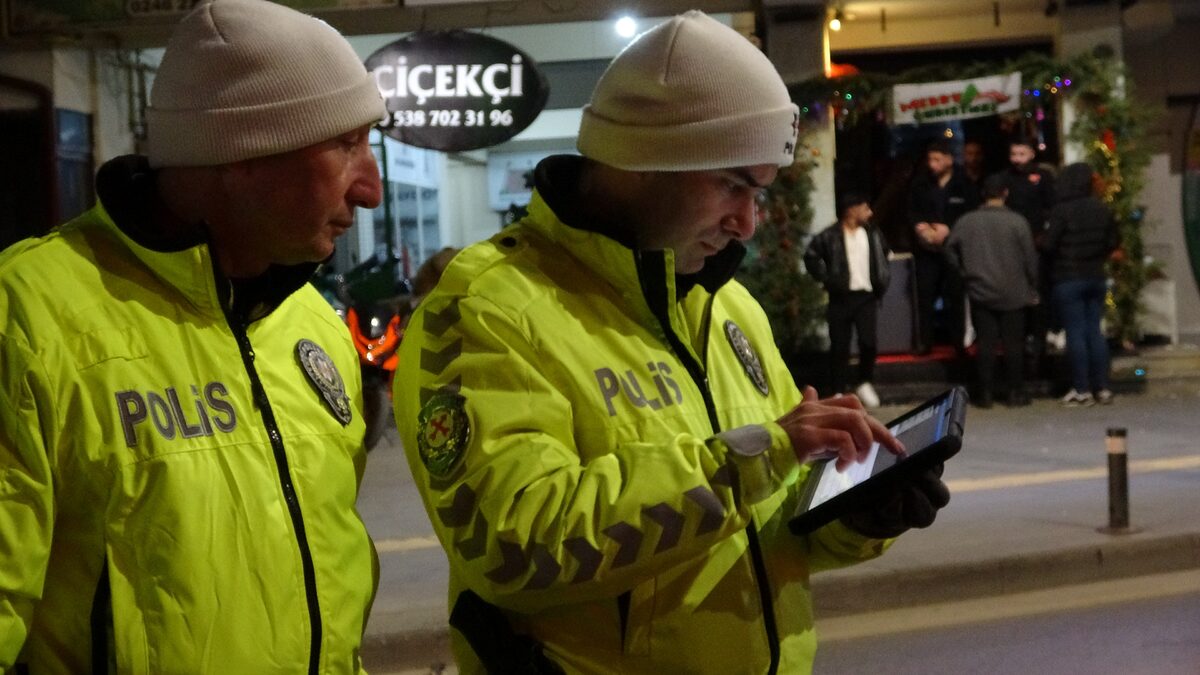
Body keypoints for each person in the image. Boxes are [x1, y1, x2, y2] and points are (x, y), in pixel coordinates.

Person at [394, 12, 950, 674]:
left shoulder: (727, 306)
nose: (746, 224)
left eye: (759, 192)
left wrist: (858, 514)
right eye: (732, 185)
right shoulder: (488, 306)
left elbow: (764, 538)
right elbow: (514, 546)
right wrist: (762, 453)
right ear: (642, 160)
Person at [0, 0, 385, 671]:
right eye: (346, 145)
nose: (372, 189)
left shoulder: (313, 327)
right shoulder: (30, 315)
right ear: (240, 156)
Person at [945, 175, 1039, 408]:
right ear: (1005, 193)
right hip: (1014, 291)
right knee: (1013, 344)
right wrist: (1033, 286)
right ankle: (1015, 392)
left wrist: (964, 271)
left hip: (980, 290)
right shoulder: (1018, 222)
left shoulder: (967, 221)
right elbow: (1030, 258)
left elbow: (949, 249)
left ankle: (985, 393)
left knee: (985, 343)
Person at [804, 191, 891, 408]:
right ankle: (838, 389)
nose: (869, 213)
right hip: (841, 297)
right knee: (839, 344)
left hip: (866, 296)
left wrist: (882, 279)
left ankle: (864, 381)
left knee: (868, 342)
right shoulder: (830, 236)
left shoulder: (872, 233)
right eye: (864, 207)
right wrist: (827, 279)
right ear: (852, 209)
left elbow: (884, 255)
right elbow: (811, 255)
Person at [1042, 162, 1119, 406]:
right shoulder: (1102, 209)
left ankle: (1081, 388)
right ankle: (1102, 387)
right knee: (1094, 331)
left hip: (1068, 278)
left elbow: (1048, 245)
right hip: (1096, 276)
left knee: (1075, 333)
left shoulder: (1061, 210)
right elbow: (1113, 241)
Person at [907, 139, 980, 355]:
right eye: (930, 159)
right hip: (927, 251)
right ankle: (925, 343)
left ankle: (958, 343)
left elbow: (971, 214)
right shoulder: (919, 183)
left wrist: (949, 229)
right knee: (925, 296)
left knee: (956, 297)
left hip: (955, 251)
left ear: (949, 160)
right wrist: (921, 228)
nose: (933, 164)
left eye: (937, 159)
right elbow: (912, 212)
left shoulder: (965, 183)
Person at [993, 137, 1057, 374]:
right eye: (1013, 154)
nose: (1017, 159)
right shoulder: (1005, 178)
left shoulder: (1043, 177)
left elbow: (1052, 207)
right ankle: (1017, 346)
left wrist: (1044, 234)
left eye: (1021, 154)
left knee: (1038, 296)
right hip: (1011, 248)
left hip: (1036, 245)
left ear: (1031, 154)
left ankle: (1038, 345)